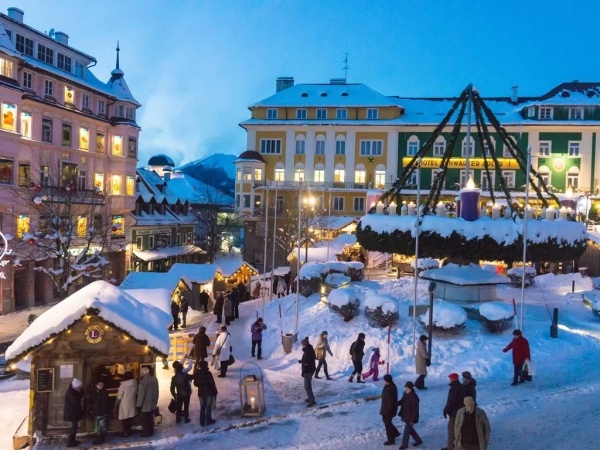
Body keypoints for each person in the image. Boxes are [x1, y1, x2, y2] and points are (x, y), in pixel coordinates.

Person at [442, 373, 467, 450]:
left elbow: (451, 401)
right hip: (462, 411)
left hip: (454, 413)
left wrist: (445, 410)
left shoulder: (453, 388)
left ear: (453, 379)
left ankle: (450, 446)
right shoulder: (463, 387)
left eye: (450, 378)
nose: (449, 380)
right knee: (460, 428)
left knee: (451, 430)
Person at [397, 380, 423, 449]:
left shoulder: (414, 397)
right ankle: (418, 440)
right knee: (410, 429)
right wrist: (396, 403)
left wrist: (413, 420)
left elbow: (415, 410)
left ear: (411, 389)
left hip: (411, 417)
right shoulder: (406, 393)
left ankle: (404, 444)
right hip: (406, 415)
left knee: (406, 430)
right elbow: (402, 401)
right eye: (406, 387)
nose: (406, 389)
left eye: (408, 388)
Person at [193, 360, 218, 426]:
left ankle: (202, 422)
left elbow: (195, 384)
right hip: (209, 392)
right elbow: (212, 383)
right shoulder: (208, 373)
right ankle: (208, 420)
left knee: (202, 407)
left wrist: (200, 385)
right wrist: (215, 391)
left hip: (201, 392)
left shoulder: (197, 373)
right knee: (208, 407)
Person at [137, 366, 159, 438]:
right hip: (152, 403)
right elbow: (157, 391)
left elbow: (141, 396)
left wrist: (139, 405)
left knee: (145, 421)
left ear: (143, 373)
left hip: (145, 405)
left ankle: (146, 433)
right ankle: (151, 431)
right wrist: (155, 401)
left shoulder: (142, 383)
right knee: (150, 419)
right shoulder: (154, 379)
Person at [170, 356, 193, 423]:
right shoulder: (185, 374)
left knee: (179, 406)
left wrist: (174, 395)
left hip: (179, 393)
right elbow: (189, 368)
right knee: (186, 406)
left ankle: (178, 418)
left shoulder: (174, 376)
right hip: (186, 392)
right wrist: (190, 359)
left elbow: (172, 388)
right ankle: (186, 418)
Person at [114, 371, 137, 437]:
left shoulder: (123, 385)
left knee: (124, 418)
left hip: (124, 403)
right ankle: (129, 431)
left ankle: (125, 432)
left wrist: (115, 404)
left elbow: (119, 396)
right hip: (132, 401)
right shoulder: (135, 383)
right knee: (130, 418)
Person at [380, 374, 400, 446]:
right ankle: (395, 433)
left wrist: (386, 412)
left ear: (387, 381)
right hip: (386, 408)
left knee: (387, 424)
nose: (383, 381)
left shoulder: (391, 389)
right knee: (386, 422)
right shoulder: (388, 386)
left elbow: (390, 402)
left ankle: (391, 440)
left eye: (384, 380)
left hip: (389, 410)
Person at [63, 377, 84, 448]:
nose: (80, 387)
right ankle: (69, 442)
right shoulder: (71, 392)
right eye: (79, 386)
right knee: (74, 427)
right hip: (71, 413)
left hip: (73, 412)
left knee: (75, 427)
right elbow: (75, 401)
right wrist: (81, 394)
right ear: (76, 386)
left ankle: (73, 440)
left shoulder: (73, 391)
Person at [90, 379, 111, 445]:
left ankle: (100, 438)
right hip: (97, 411)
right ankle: (100, 438)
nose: (101, 386)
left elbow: (106, 403)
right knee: (98, 426)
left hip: (103, 412)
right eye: (99, 384)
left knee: (101, 426)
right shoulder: (94, 392)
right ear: (96, 385)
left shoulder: (104, 392)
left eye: (102, 384)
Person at [298, 336, 316, 407]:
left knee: (307, 386)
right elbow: (307, 359)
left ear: (304, 345)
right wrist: (301, 361)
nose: (302, 346)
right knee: (308, 385)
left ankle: (312, 401)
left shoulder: (307, 352)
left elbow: (307, 363)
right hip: (311, 370)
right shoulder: (309, 349)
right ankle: (309, 398)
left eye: (302, 345)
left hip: (308, 371)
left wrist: (304, 372)